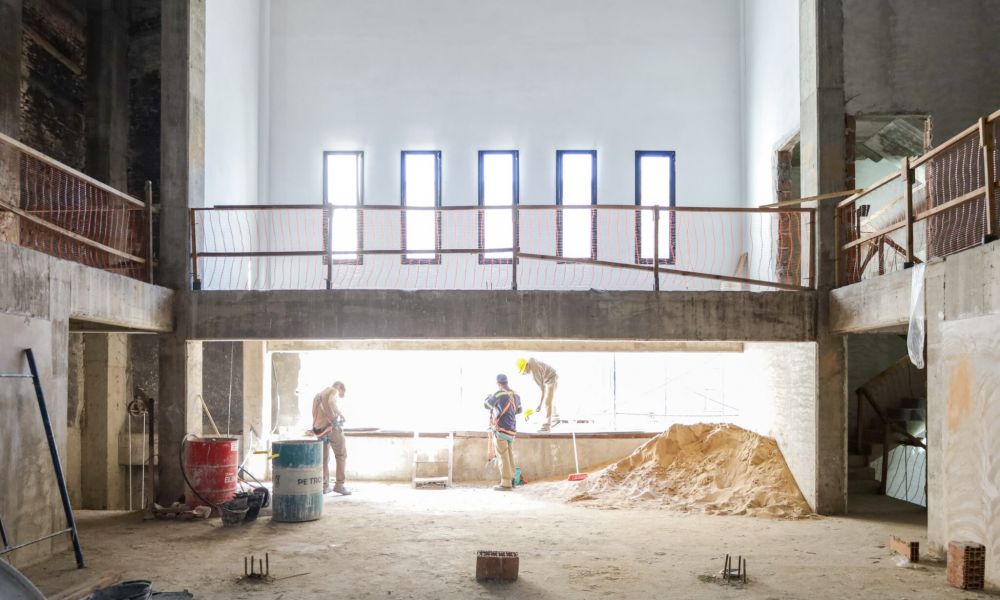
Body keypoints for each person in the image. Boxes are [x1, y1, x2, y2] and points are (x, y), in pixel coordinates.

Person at [312, 381, 351, 495]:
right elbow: (331, 403)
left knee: (324, 458)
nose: (339, 394)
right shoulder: (333, 390)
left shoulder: (318, 395)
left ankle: (324, 486)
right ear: (340, 387)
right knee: (341, 455)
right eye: (341, 392)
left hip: (320, 431)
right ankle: (339, 485)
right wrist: (341, 415)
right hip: (332, 429)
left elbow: (314, 413)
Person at [484, 373, 520, 491]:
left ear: (498, 384)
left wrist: (488, 397)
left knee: (503, 457)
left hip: (501, 431)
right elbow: (519, 410)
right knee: (509, 456)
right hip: (512, 430)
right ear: (507, 382)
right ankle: (513, 480)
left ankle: (506, 483)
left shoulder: (498, 394)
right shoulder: (515, 394)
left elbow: (487, 405)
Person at [517, 357, 558, 432]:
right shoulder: (530, 360)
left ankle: (546, 426)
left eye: (523, 371)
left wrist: (540, 404)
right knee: (550, 400)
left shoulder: (534, 374)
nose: (524, 374)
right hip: (551, 376)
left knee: (547, 402)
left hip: (551, 379)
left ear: (526, 366)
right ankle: (556, 418)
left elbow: (543, 389)